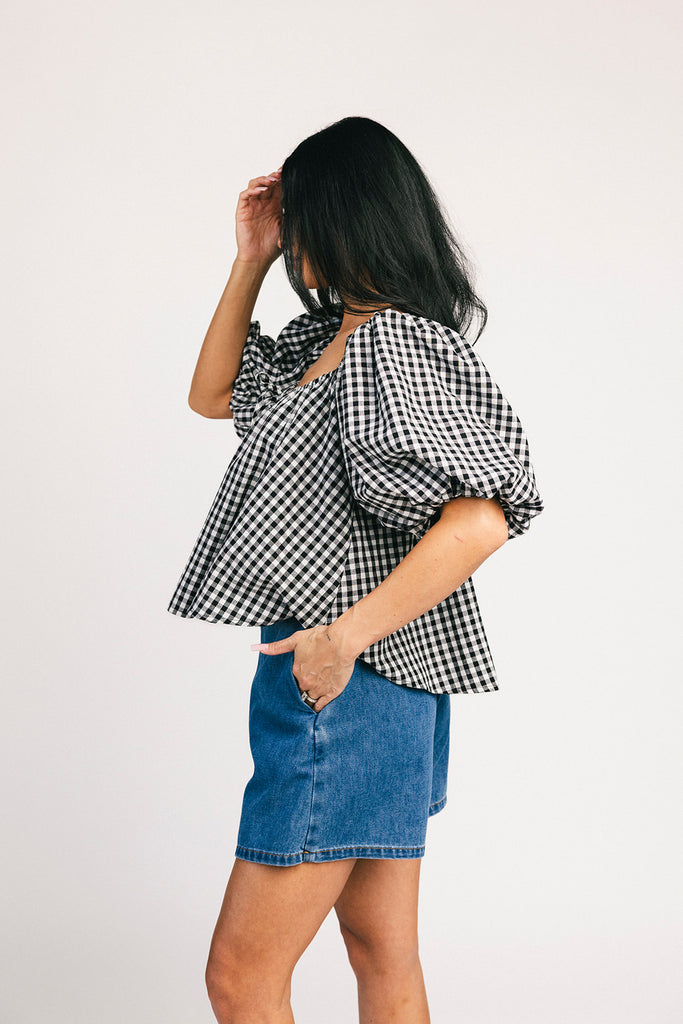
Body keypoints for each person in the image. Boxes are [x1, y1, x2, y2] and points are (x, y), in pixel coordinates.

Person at [167, 116, 545, 1024]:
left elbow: (485, 514)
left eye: (297, 222)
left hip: (345, 675)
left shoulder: (396, 344)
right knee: (382, 955)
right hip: (360, 676)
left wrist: (341, 640)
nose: (295, 241)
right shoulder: (324, 342)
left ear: (345, 214)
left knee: (239, 976)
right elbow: (213, 395)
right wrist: (249, 258)